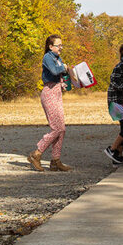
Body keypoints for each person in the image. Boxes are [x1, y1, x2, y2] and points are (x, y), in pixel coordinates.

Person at [27, 34, 73, 172]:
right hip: (49, 93)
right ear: (50, 46)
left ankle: (55, 161)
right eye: (58, 45)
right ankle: (37, 153)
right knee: (57, 128)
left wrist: (65, 82)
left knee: (62, 129)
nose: (61, 48)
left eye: (61, 45)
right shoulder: (47, 57)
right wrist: (64, 67)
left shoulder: (58, 58)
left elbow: (59, 74)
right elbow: (54, 71)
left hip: (57, 91)